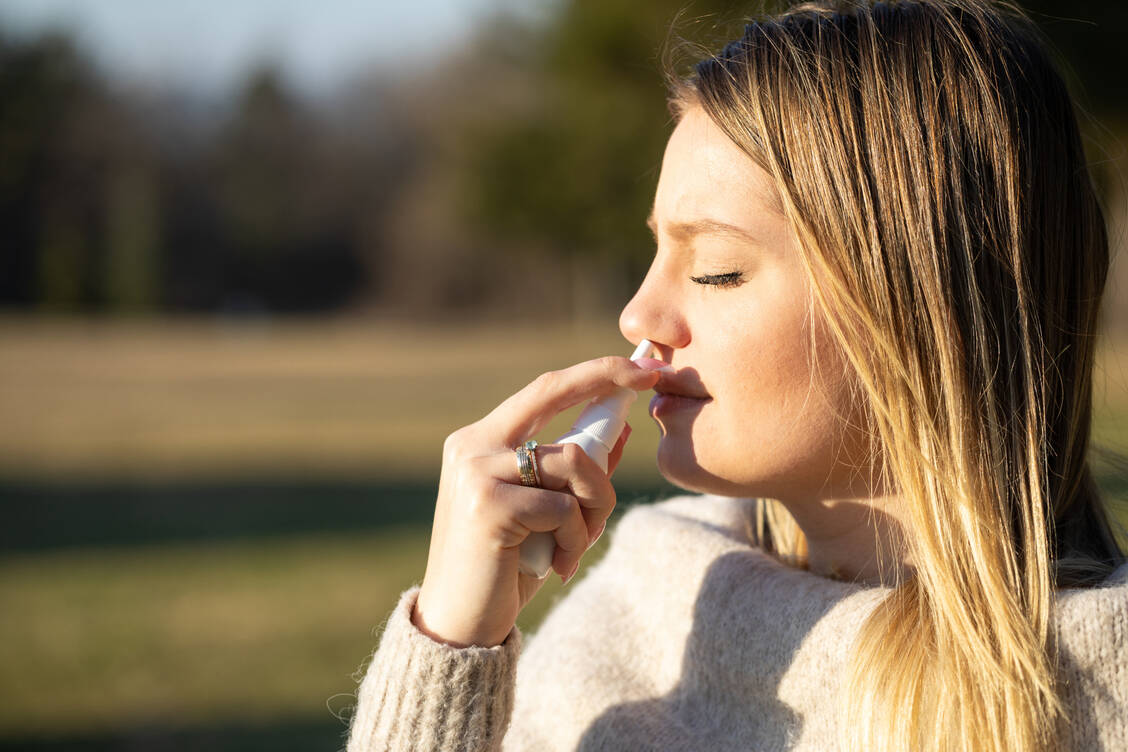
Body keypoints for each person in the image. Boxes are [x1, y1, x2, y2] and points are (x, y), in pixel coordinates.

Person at [345, 1, 1128, 750]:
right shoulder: (643, 619)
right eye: (656, 252)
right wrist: (450, 643)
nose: (638, 315)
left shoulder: (1102, 697)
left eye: (716, 269)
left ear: (923, 306)